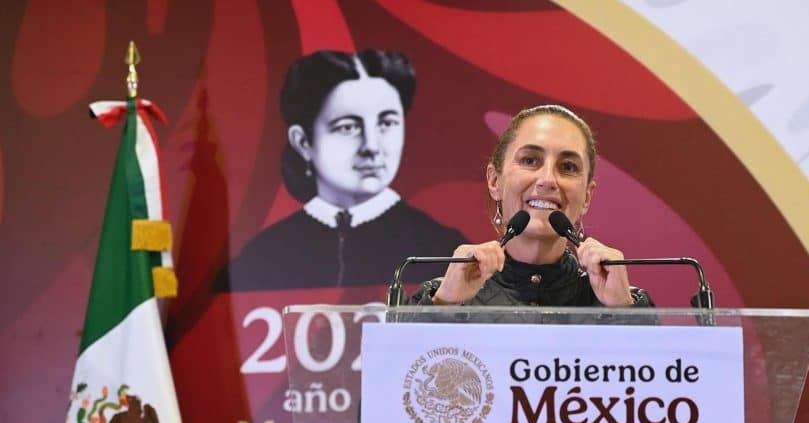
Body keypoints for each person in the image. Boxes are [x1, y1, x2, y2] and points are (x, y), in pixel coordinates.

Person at [217, 49, 465, 292]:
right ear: (303, 142)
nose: (371, 146)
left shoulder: (442, 251)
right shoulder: (260, 259)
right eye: (348, 127)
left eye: (387, 123)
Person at [409, 104, 652, 307]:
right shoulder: (436, 298)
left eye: (567, 167)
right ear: (495, 181)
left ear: (587, 196)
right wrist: (443, 307)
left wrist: (624, 313)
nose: (547, 179)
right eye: (529, 160)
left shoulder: (625, 302)